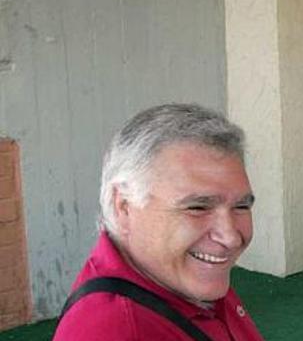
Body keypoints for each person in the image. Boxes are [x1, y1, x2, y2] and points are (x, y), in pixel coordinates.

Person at [54, 103, 263, 340]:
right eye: (197, 207)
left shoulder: (182, 274)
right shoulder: (114, 331)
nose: (231, 237)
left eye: (241, 206)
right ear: (123, 207)